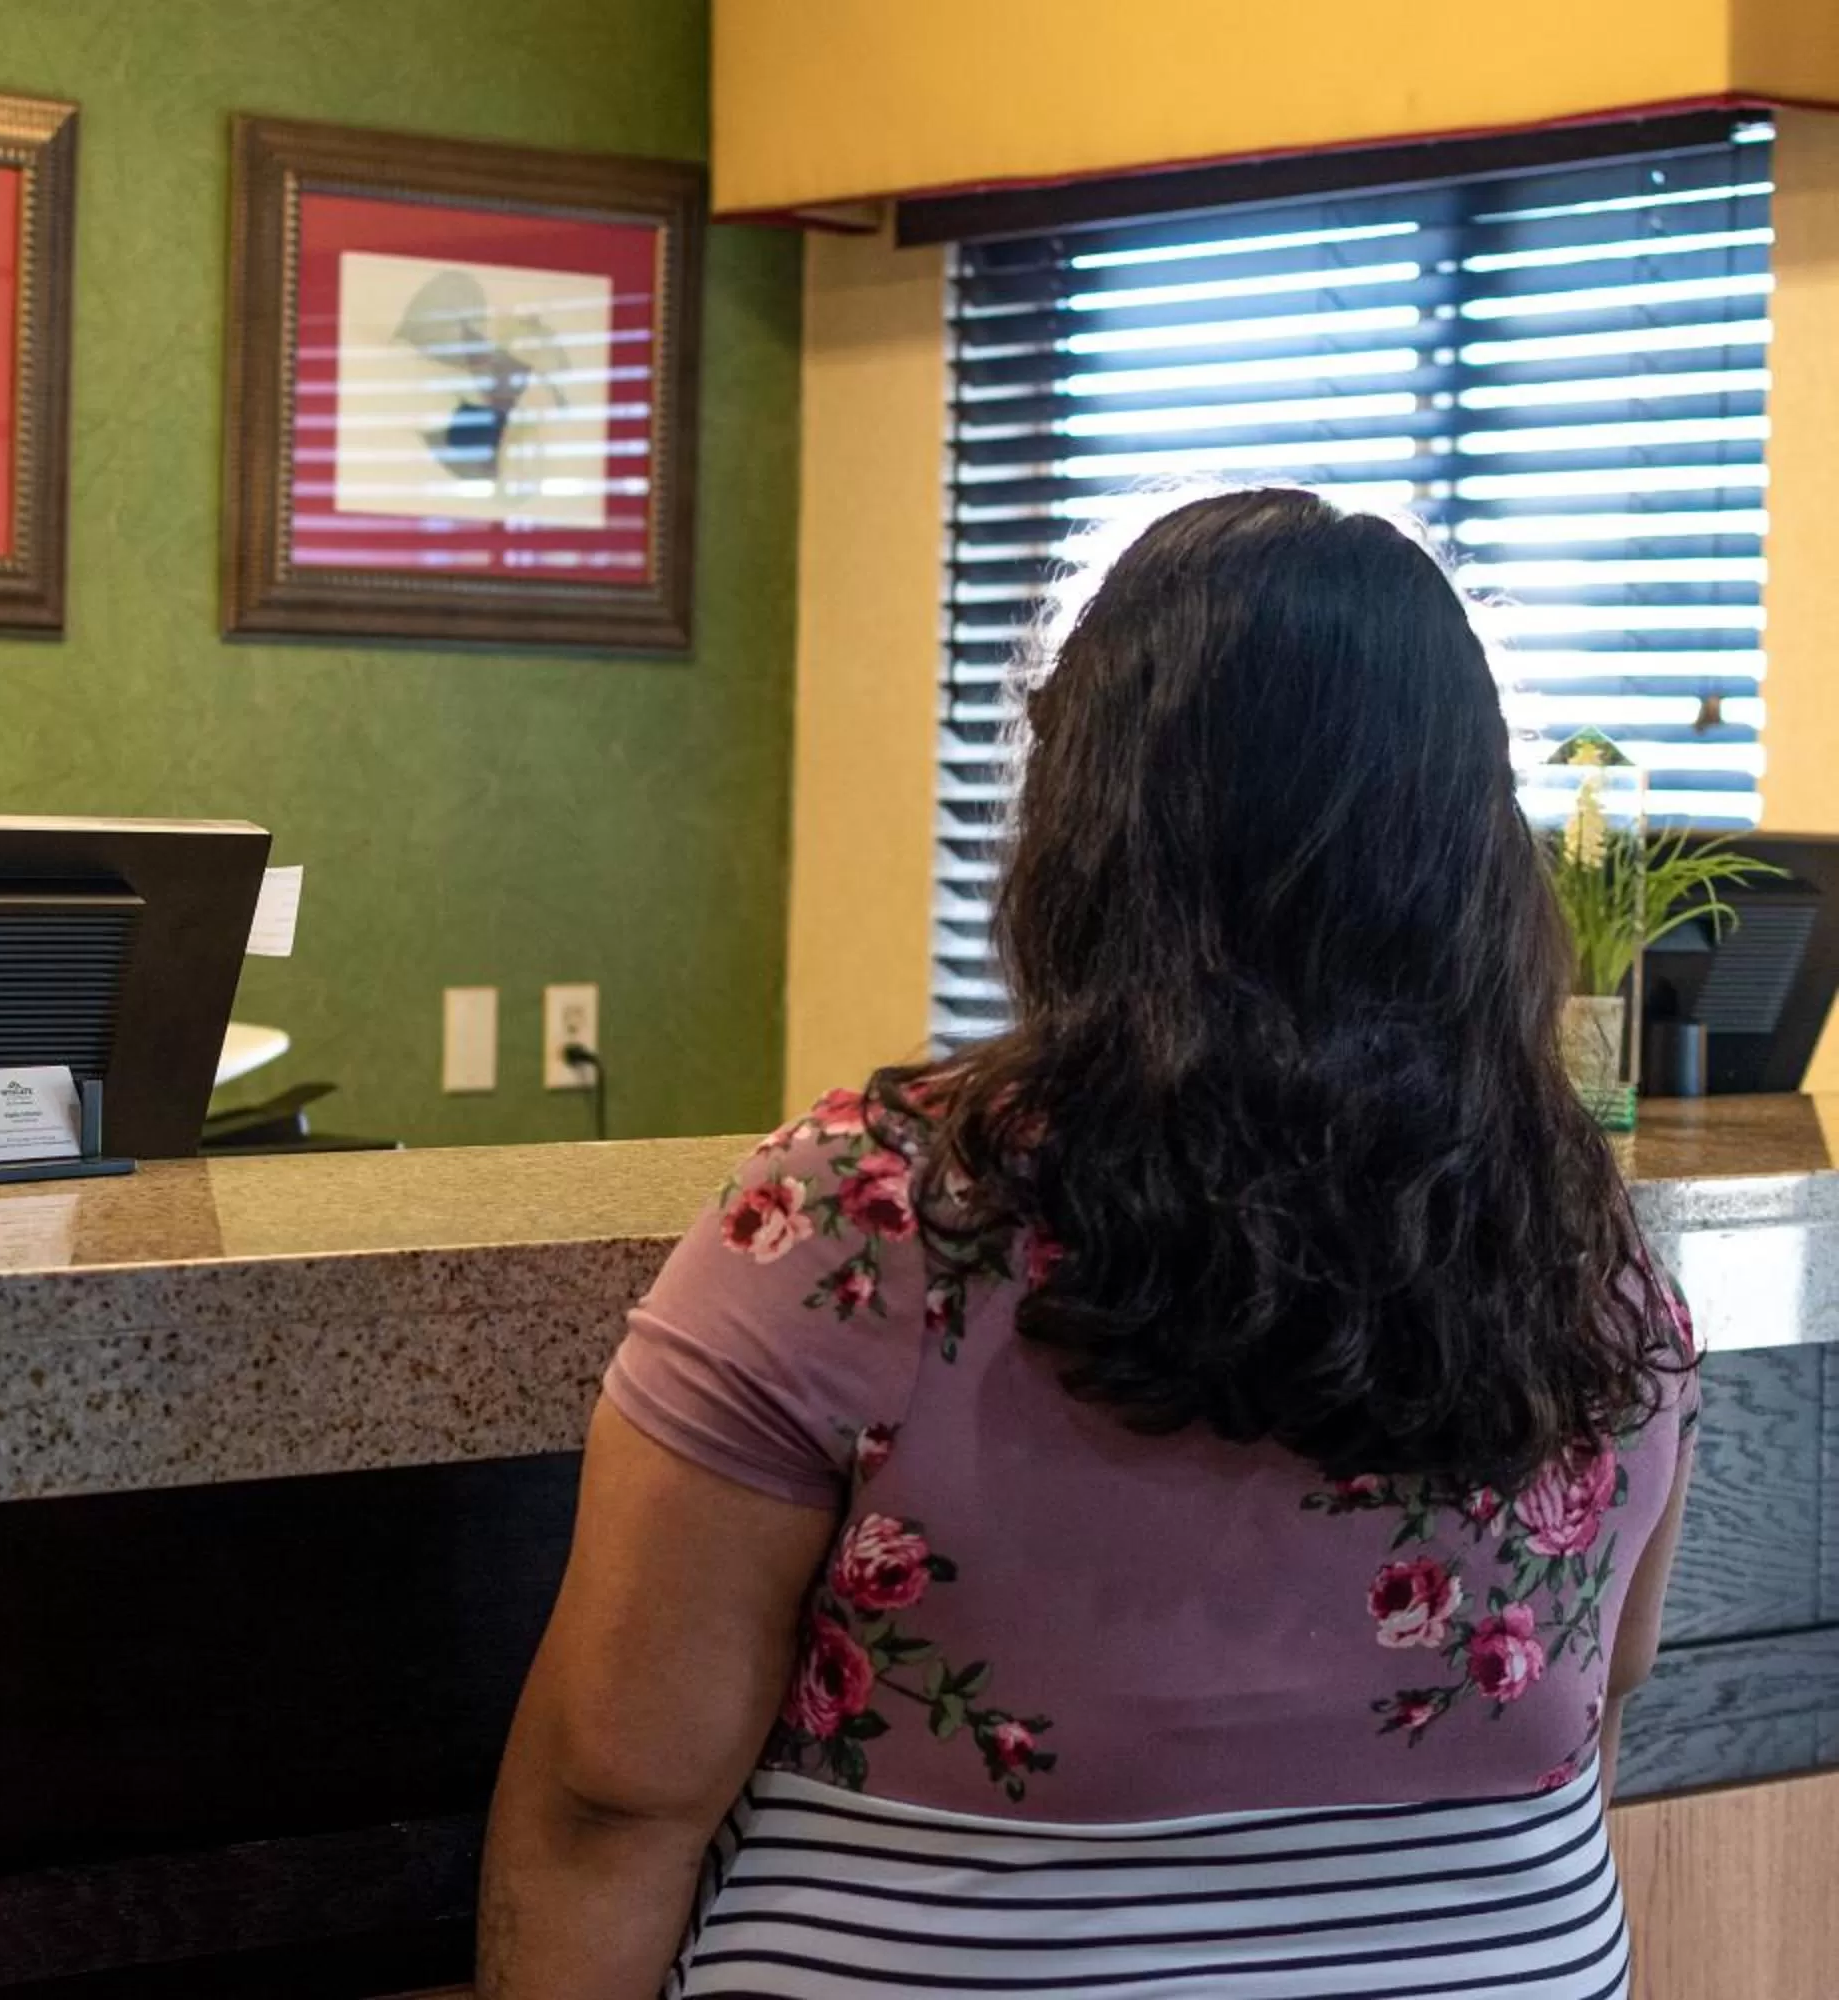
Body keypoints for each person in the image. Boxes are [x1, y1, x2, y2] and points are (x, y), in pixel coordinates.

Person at [480, 488, 1696, 1998]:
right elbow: (1602, 1707)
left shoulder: (874, 1213)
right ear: (1471, 838)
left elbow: (614, 1795)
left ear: (1089, 816)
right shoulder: (1585, 1235)